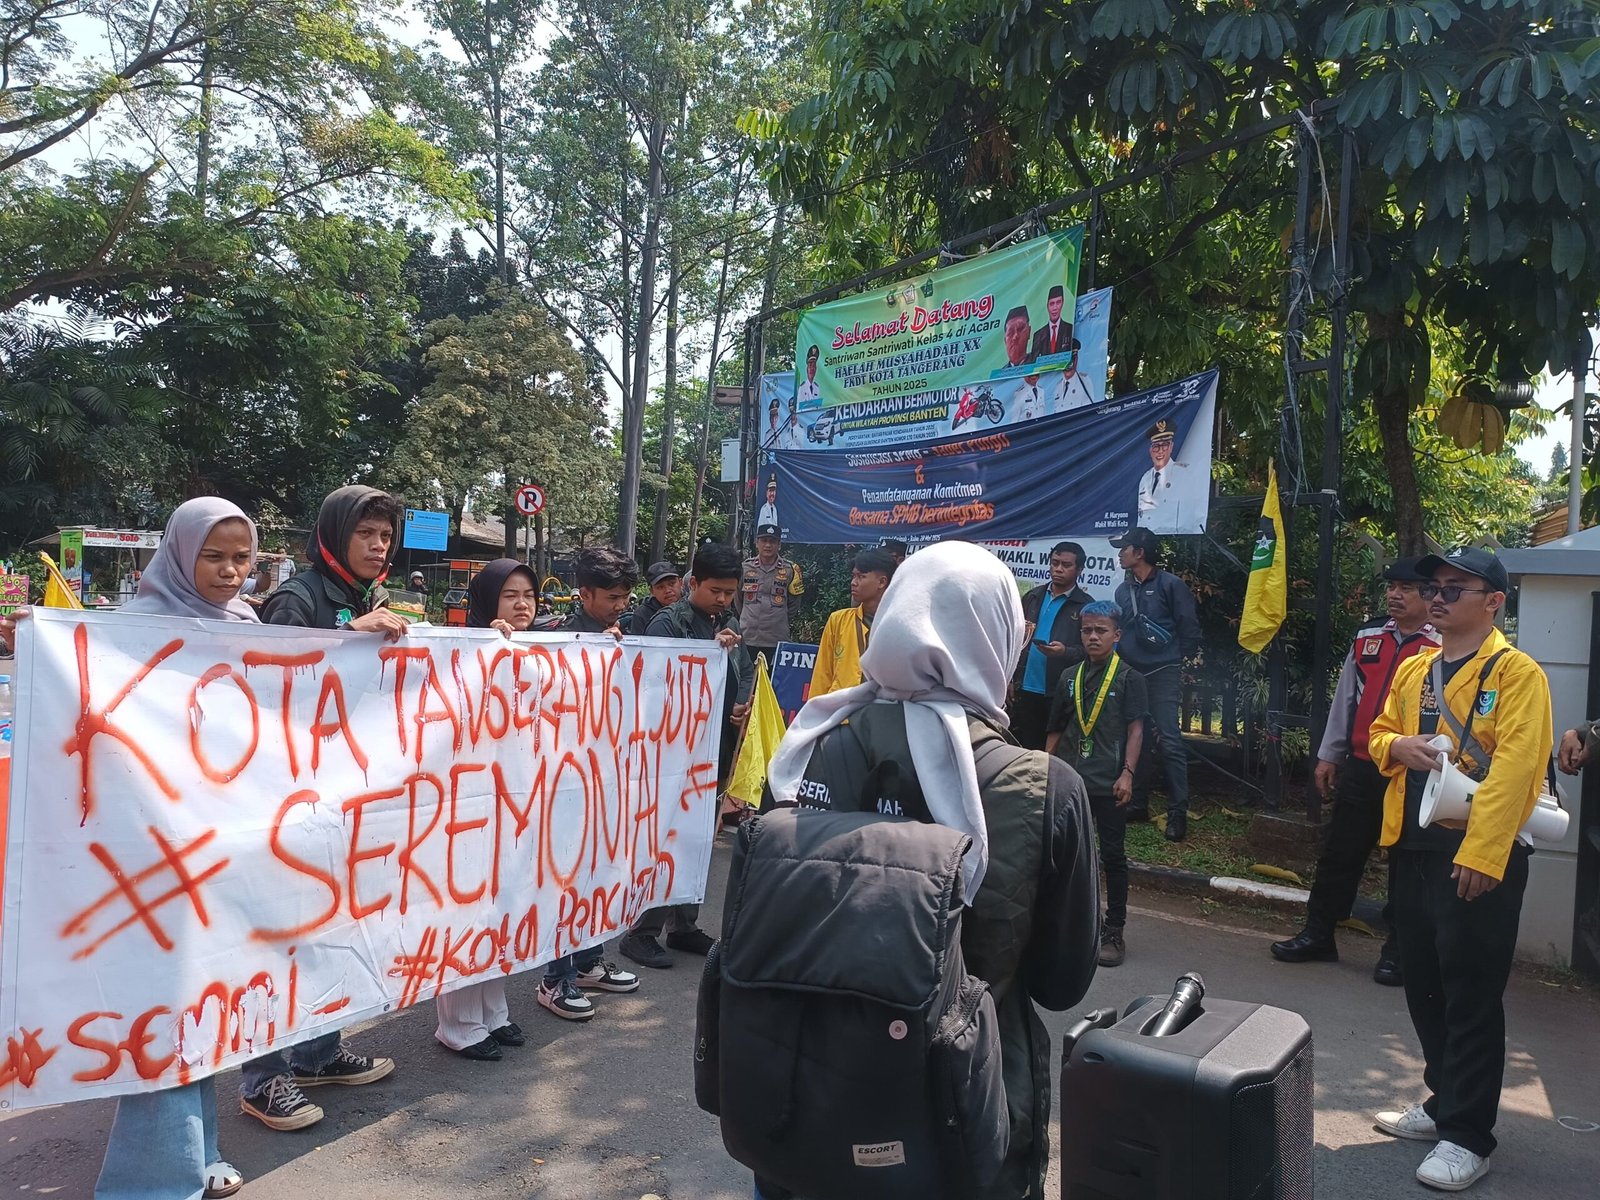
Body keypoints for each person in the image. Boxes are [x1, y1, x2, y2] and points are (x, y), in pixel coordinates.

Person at [761, 540, 1101, 1200]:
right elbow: (1062, 983)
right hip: (968, 1124)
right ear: (996, 637)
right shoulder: (1046, 787)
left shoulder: (811, 746)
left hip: (803, 1110)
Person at [41, 499, 254, 1199]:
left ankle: (197, 1154)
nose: (228, 572)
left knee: (207, 1005)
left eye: (241, 558)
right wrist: (41, 644)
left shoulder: (252, 627)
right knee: (163, 1014)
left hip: (226, 852)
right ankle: (152, 1182)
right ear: (179, 552)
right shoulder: (129, 633)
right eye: (213, 556)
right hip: (151, 859)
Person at [1368, 547, 1552, 1193]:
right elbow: (1379, 733)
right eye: (1434, 587)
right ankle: (1443, 1101)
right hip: (1415, 843)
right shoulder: (1416, 668)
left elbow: (1520, 766)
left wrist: (1483, 852)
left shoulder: (1518, 672)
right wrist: (1400, 746)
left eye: (1455, 588)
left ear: (1493, 601)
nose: (1437, 597)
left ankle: (1469, 1136)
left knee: (1471, 992)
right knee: (1423, 983)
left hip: (1479, 850)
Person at [241, 485, 403, 1130]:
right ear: (336, 536)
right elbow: (267, 680)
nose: (377, 545)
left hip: (342, 794)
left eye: (386, 536)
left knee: (332, 930)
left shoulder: (370, 598)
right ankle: (263, 1079)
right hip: (288, 800)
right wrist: (346, 632)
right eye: (366, 533)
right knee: (282, 939)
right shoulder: (299, 598)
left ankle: (318, 1052)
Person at [1271, 557, 1439, 982]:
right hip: (1363, 765)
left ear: (1429, 595)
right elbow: (1346, 700)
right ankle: (1318, 934)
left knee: (1407, 862)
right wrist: (1329, 754)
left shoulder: (1442, 643)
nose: (1394, 595)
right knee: (1339, 853)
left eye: (1406, 588)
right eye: (1391, 587)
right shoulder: (1368, 638)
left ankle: (1399, 951)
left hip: (1413, 772)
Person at [621, 543, 753, 969]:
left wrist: (741, 704)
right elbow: (649, 681)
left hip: (712, 751)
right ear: (692, 583)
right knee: (665, 839)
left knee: (697, 838)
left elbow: (745, 673)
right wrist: (704, 655)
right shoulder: (667, 625)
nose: (722, 599)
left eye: (729, 592)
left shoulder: (727, 622)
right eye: (715, 590)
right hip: (670, 755)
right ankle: (641, 932)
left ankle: (683, 926)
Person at [535, 548, 643, 1019]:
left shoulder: (629, 634)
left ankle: (589, 961)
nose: (622, 605)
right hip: (560, 781)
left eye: (626, 596)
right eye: (613, 597)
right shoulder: (553, 637)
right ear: (584, 594)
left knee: (599, 868)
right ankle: (554, 978)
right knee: (564, 876)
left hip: (607, 778)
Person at [435, 559, 537, 1057]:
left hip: (515, 802)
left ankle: (493, 1008)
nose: (522, 605)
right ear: (486, 602)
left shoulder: (540, 651)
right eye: (509, 595)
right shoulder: (463, 651)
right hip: (469, 803)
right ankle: (458, 1022)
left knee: (505, 906)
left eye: (529, 596)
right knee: (468, 909)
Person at [1045, 600, 1146, 967]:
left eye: (1100, 630)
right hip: (1070, 781)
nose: (1092, 636)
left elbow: (1136, 729)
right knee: (1060, 854)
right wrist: (1046, 769)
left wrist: (1128, 773)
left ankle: (1113, 929)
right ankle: (1061, 926)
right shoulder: (1068, 676)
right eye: (1087, 630)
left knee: (1113, 856)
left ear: (1116, 635)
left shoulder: (1129, 679)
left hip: (1110, 783)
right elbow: (1056, 728)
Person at [1112, 527, 1201, 840]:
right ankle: (1138, 803)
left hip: (1163, 671)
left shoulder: (1171, 585)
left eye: (1125, 548)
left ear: (1140, 552)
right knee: (1137, 738)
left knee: (1170, 739)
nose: (1119, 553)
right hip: (1132, 672)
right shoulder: (1123, 591)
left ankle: (1178, 813)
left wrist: (1178, 662)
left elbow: (1189, 627)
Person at [1010, 541, 1094, 750]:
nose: (1058, 569)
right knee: (1024, 748)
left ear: (1079, 570)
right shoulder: (1033, 597)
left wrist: (1065, 652)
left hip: (1059, 691)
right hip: (1025, 687)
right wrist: (1010, 678)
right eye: (1054, 563)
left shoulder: (1085, 605)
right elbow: (1014, 639)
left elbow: (1091, 651)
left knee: (1054, 752)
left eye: (1066, 565)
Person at [810, 548, 895, 696]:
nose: (853, 583)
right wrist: (815, 714)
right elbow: (822, 674)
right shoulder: (839, 620)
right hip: (842, 712)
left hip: (883, 712)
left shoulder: (899, 624)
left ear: (882, 582)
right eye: (853, 576)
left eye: (861, 577)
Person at [738, 523, 804, 667]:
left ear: (779, 544)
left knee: (773, 682)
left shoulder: (790, 570)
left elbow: (794, 604)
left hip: (776, 637)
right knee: (748, 681)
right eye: (764, 540)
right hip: (748, 636)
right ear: (757, 543)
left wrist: (779, 617)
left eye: (772, 541)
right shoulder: (744, 567)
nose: (768, 545)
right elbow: (737, 599)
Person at [1136, 419, 1200, 531]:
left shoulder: (1184, 474)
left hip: (1173, 538)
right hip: (1147, 538)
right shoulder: (1145, 478)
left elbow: (1190, 512)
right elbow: (1142, 514)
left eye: (1165, 445)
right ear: (1150, 450)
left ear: (1171, 447)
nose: (1160, 451)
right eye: (1156, 446)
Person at [623, 560, 681, 632]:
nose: (667, 590)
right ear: (652, 591)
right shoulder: (642, 614)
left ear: (680, 583)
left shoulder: (692, 606)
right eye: (660, 587)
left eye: (671, 584)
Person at [1030, 284, 1073, 360]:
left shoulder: (1069, 328)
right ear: (1047, 306)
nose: (1055, 308)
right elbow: (1033, 362)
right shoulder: (1038, 335)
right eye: (1052, 304)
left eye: (1058, 302)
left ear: (1063, 303)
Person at [1001, 305, 1032, 369]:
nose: (1015, 336)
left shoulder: (1038, 364)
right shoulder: (1000, 376)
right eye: (1010, 333)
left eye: (1020, 329)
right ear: (1005, 340)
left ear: (1029, 332)